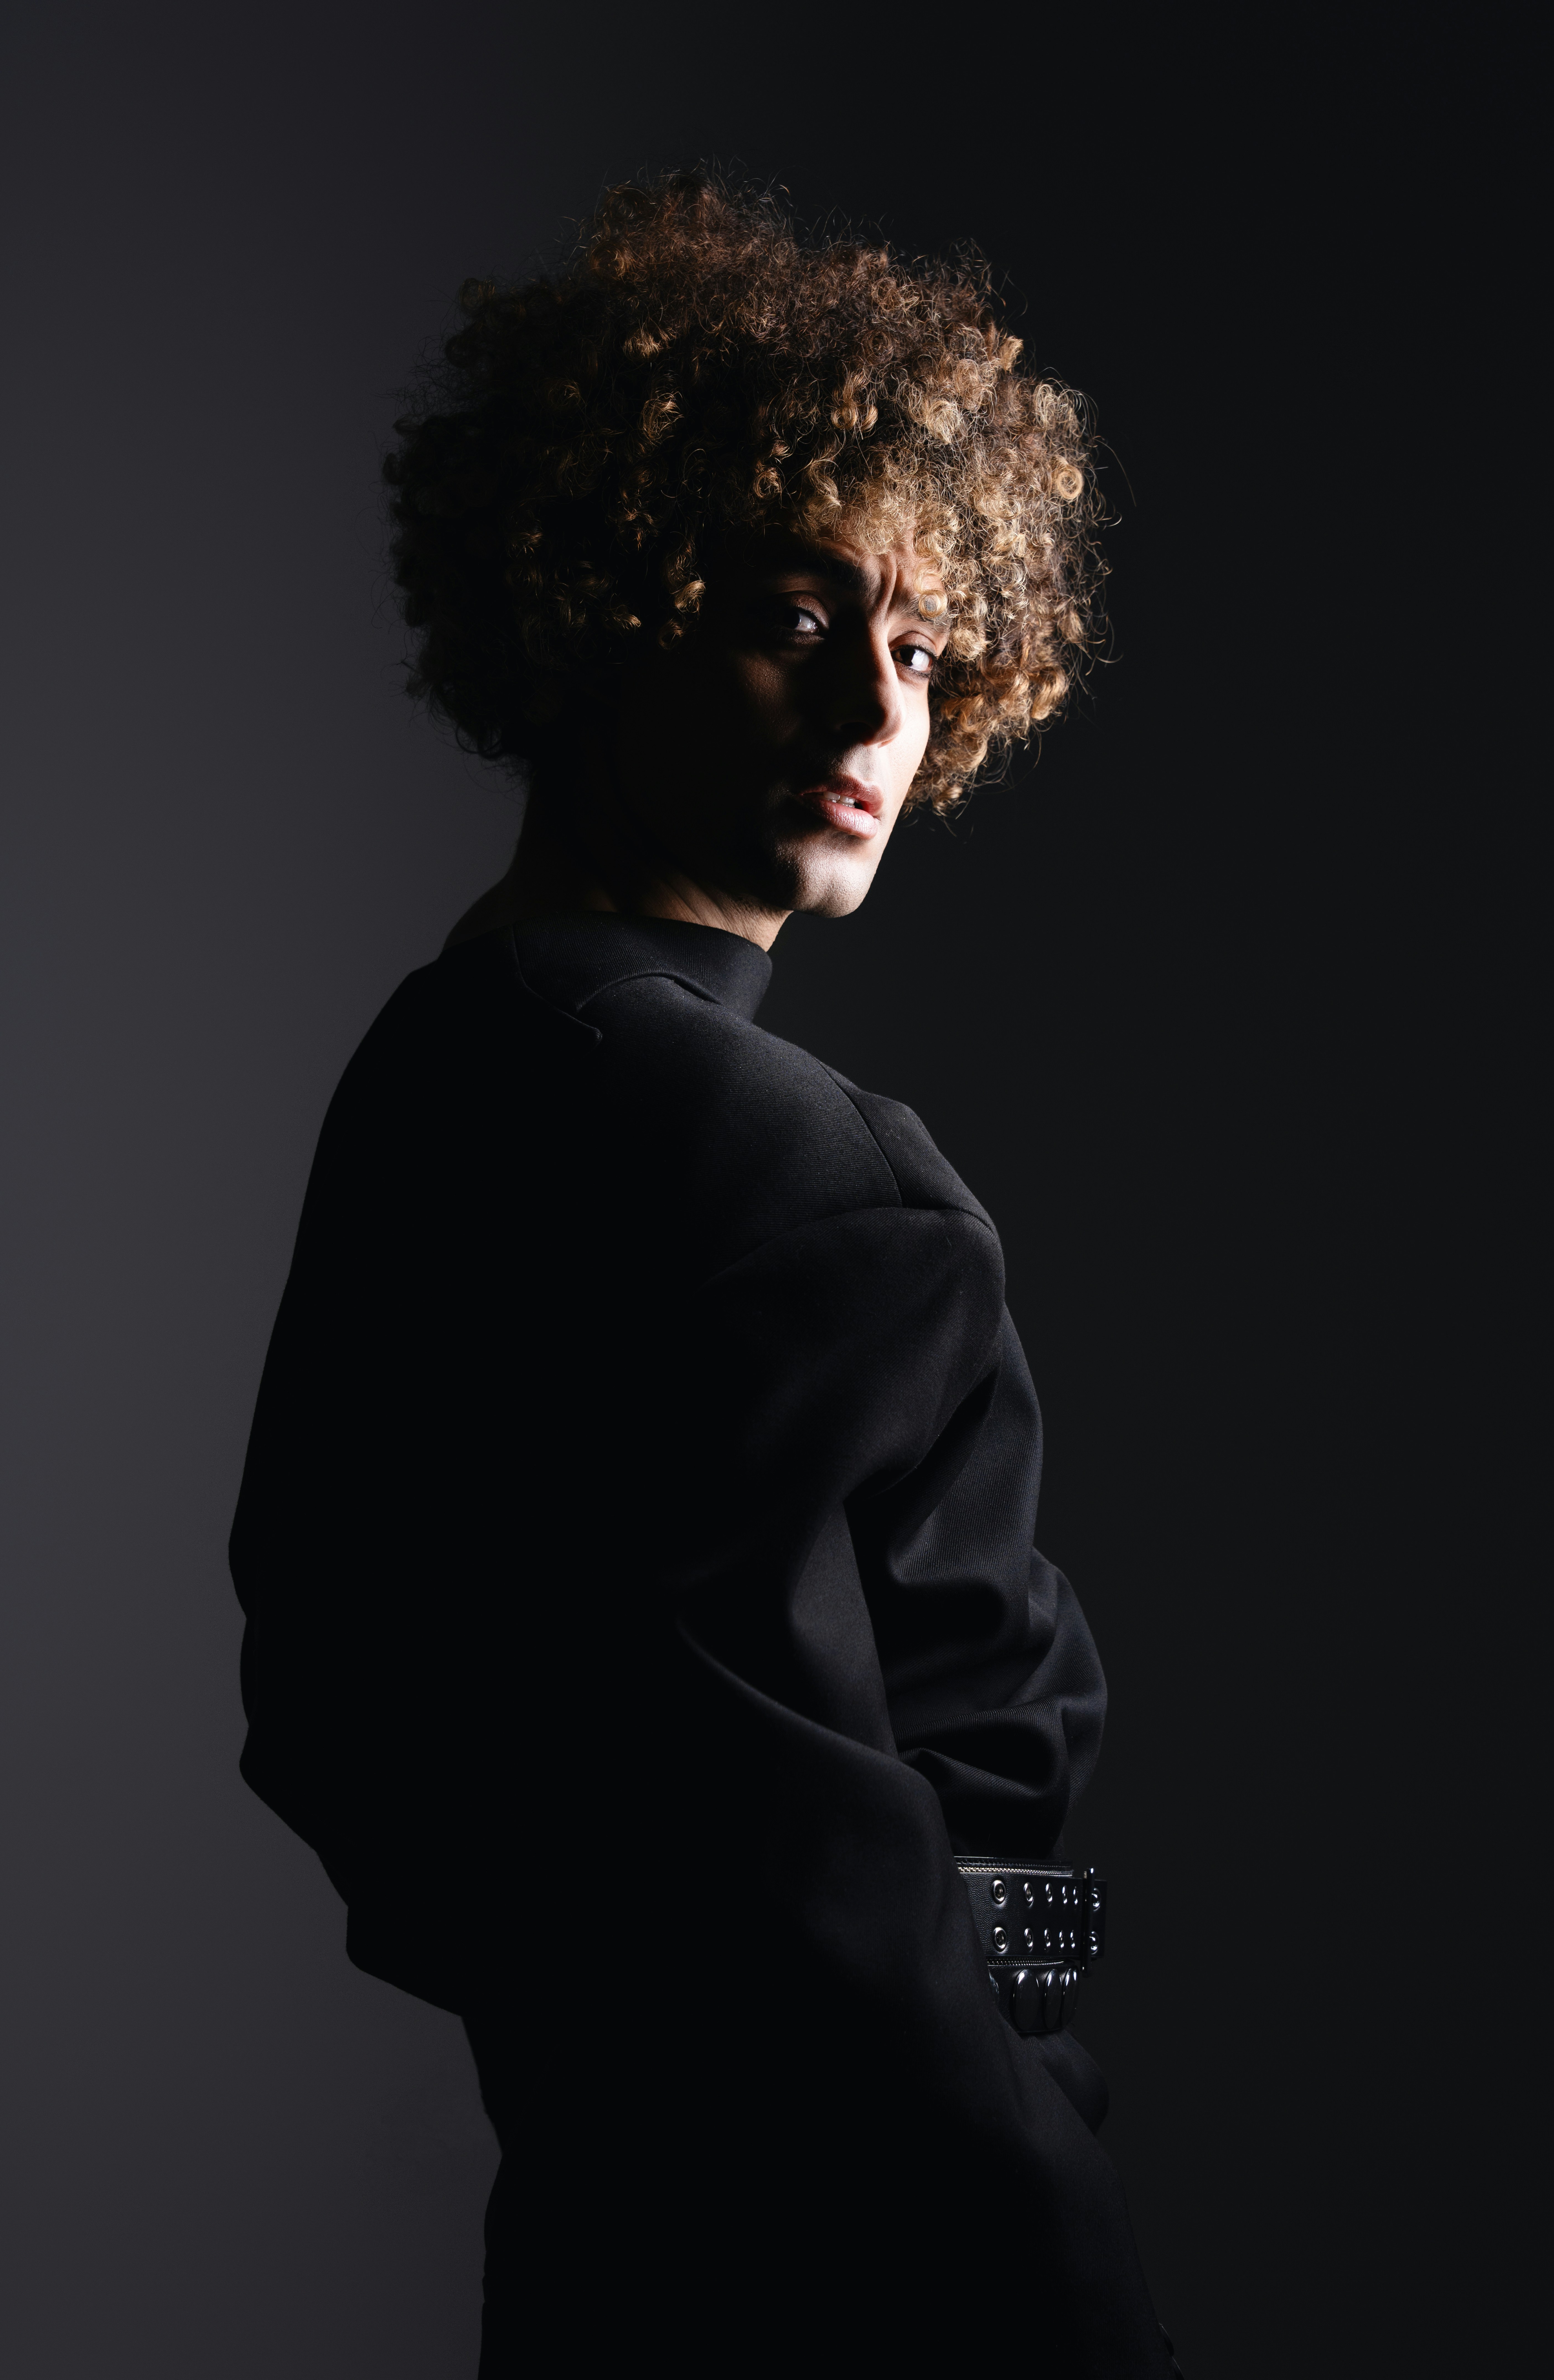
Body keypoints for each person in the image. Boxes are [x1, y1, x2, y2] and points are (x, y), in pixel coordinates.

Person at [230, 172, 1180, 2374]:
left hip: (600, 2240)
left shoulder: (433, 1078)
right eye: (790, 611)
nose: (874, 701)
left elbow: (337, 1723)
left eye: (927, 648)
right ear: (602, 604)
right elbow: (840, 1904)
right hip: (887, 2271)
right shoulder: (801, 1178)